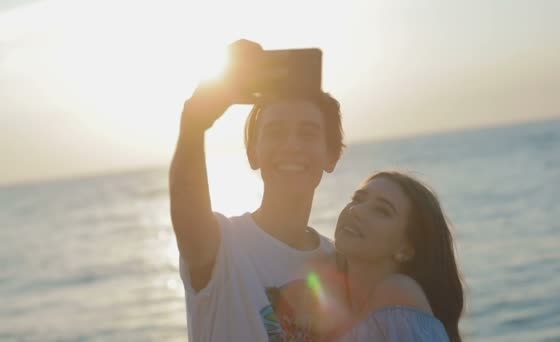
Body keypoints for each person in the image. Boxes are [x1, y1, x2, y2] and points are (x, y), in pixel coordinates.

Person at [168, 39, 346, 341]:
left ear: (331, 155)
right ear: (253, 153)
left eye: (308, 133)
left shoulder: (341, 264)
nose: (291, 146)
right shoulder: (221, 247)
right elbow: (185, 197)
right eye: (275, 133)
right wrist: (194, 122)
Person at [330, 171, 464, 341]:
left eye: (381, 210)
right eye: (357, 199)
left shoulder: (398, 294)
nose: (356, 210)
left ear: (406, 249)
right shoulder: (329, 292)